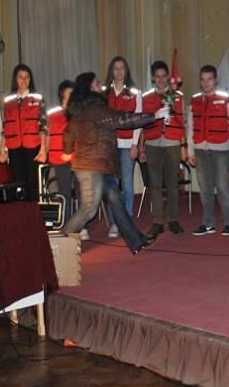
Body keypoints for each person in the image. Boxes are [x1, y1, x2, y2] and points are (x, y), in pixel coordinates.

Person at [60, 72, 169, 254]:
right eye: (97, 83)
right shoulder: (96, 107)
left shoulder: (80, 108)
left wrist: (67, 150)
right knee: (89, 208)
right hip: (91, 167)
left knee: (116, 201)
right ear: (90, 87)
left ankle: (136, 242)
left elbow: (68, 133)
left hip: (99, 165)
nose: (100, 86)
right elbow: (124, 119)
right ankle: (57, 242)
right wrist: (154, 115)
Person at [186, 65, 229, 235]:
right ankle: (208, 223)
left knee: (222, 186)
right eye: (203, 79)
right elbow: (190, 127)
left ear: (216, 80)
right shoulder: (194, 101)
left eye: (209, 79)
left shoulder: (227, 99)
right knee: (205, 188)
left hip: (221, 150)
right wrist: (190, 151)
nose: (206, 83)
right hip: (200, 150)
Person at [138, 61, 187, 236]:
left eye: (163, 76)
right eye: (157, 76)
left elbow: (182, 122)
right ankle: (158, 221)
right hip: (152, 143)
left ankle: (173, 220)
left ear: (168, 77)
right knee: (155, 184)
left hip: (172, 143)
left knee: (172, 183)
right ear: (152, 78)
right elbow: (142, 123)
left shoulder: (177, 96)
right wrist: (141, 148)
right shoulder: (146, 97)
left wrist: (183, 146)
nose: (160, 80)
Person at [102, 57, 143, 237]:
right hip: (110, 146)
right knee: (113, 187)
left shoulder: (135, 92)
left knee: (127, 185)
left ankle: (125, 223)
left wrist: (135, 145)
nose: (119, 72)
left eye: (122, 68)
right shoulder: (104, 93)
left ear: (126, 71)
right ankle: (114, 223)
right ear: (111, 71)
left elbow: (138, 120)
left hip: (128, 145)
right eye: (116, 68)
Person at [1, 64, 47, 201]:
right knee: (18, 184)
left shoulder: (38, 98)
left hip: (33, 147)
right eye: (20, 77)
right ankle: (21, 212)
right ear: (15, 79)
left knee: (33, 184)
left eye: (27, 77)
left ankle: (34, 211)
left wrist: (43, 149)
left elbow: (43, 125)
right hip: (14, 148)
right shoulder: (8, 101)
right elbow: (6, 127)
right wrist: (3, 149)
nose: (24, 80)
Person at [47, 80, 77, 224]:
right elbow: (48, 136)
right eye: (69, 93)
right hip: (60, 159)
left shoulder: (79, 114)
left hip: (78, 159)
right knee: (64, 193)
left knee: (81, 192)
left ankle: (80, 225)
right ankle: (66, 223)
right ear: (62, 95)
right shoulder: (52, 114)